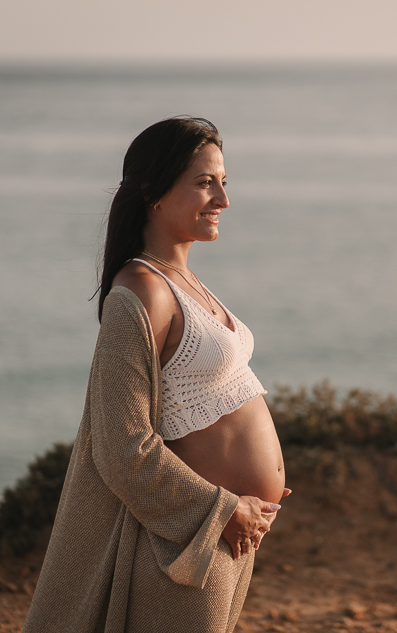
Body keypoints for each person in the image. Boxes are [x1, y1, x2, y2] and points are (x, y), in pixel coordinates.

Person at [22, 116, 287, 633]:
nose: (222, 201)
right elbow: (123, 447)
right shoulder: (140, 292)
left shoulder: (182, 281)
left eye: (223, 183)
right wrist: (222, 507)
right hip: (182, 545)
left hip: (226, 536)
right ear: (152, 192)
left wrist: (253, 495)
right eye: (204, 182)